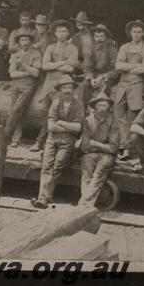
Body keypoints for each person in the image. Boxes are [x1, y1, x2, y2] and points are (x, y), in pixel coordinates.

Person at [31, 75, 84, 209]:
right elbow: (51, 127)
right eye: (64, 87)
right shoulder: (55, 103)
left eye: (69, 87)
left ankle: (44, 197)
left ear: (73, 89)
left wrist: (61, 122)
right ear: (60, 90)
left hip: (68, 141)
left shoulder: (79, 104)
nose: (67, 90)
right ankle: (43, 198)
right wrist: (68, 126)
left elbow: (78, 128)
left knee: (58, 165)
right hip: (52, 139)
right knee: (46, 166)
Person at [31, 20, 78, 152]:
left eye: (64, 31)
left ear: (68, 33)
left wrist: (55, 65)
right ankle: (45, 142)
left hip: (63, 84)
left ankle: (42, 142)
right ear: (55, 33)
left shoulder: (72, 48)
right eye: (59, 31)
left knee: (59, 114)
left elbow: (70, 67)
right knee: (44, 111)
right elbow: (45, 66)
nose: (61, 34)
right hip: (49, 84)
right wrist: (62, 63)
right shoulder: (50, 48)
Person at [113, 19, 144, 160]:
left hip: (137, 84)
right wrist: (136, 67)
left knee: (132, 115)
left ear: (143, 34)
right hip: (123, 84)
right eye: (134, 31)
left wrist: (127, 65)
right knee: (118, 113)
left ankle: (131, 149)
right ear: (130, 33)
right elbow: (118, 66)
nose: (136, 34)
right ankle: (123, 145)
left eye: (139, 32)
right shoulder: (124, 47)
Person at [78, 92, 120, 207]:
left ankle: (84, 204)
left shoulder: (113, 121)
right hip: (90, 154)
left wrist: (95, 143)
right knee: (86, 175)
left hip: (107, 156)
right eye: (99, 105)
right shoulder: (87, 121)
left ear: (108, 107)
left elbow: (114, 148)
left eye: (105, 105)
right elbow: (85, 146)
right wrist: (103, 146)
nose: (102, 108)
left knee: (98, 175)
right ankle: (86, 204)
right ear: (95, 106)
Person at [5, 32, 42, 147]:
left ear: (30, 42)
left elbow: (36, 73)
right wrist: (27, 72)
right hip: (16, 84)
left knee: (16, 109)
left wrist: (23, 64)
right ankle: (16, 139)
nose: (24, 42)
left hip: (29, 85)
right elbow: (12, 73)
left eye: (26, 40)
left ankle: (5, 135)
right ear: (19, 42)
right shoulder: (15, 54)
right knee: (15, 110)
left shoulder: (36, 54)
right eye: (22, 40)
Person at [78, 23, 118, 111]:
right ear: (94, 37)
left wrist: (102, 77)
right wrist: (91, 78)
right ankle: (81, 113)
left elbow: (116, 70)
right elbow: (88, 67)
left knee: (104, 87)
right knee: (83, 87)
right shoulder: (91, 49)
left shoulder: (112, 50)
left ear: (106, 38)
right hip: (94, 75)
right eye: (97, 36)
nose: (99, 39)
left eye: (102, 36)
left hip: (108, 76)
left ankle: (101, 111)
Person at [69, 11, 95, 76]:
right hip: (79, 65)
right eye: (78, 24)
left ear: (87, 25)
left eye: (83, 24)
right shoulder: (75, 37)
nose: (81, 26)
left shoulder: (94, 36)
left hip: (92, 64)